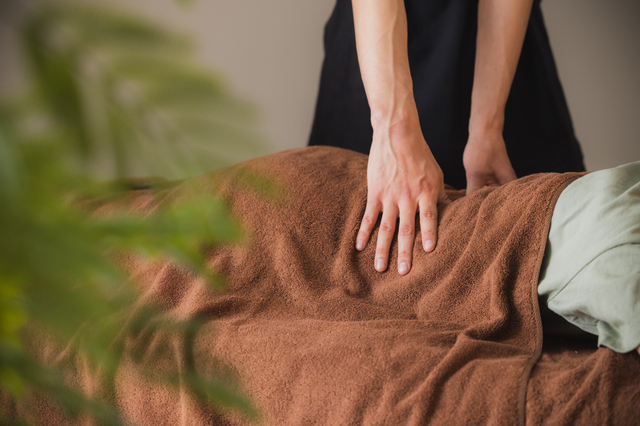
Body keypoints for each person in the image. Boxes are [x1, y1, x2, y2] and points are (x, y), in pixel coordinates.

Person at [308, 0, 585, 276]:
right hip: (378, 58)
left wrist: (487, 127)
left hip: (502, 57)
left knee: (551, 265)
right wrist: (393, 131)